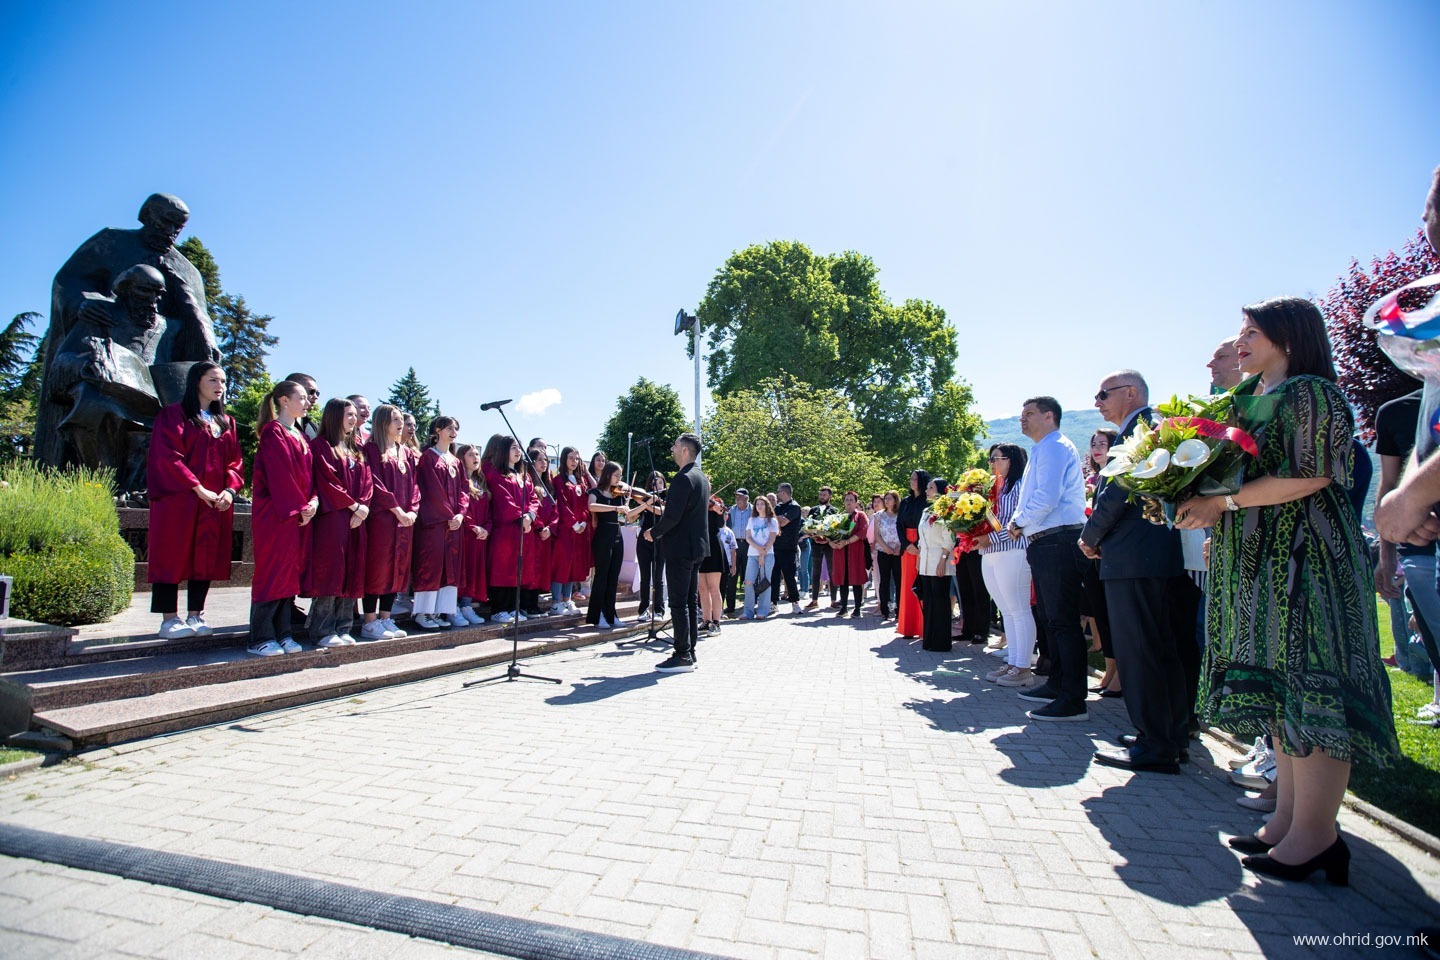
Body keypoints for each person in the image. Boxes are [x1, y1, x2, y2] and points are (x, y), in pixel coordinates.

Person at [1178, 296, 1399, 884]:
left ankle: (1317, 835)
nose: (1240, 342)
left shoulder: (1311, 393)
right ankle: (1288, 821)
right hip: (1253, 556)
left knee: (1310, 683)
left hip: (1305, 555)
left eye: (1252, 332)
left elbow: (1311, 474)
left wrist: (1222, 503)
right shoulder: (1243, 399)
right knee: (1281, 691)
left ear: (1290, 338)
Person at [38, 193, 220, 471]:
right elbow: (68, 281)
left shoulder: (186, 271)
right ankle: (101, 477)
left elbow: (199, 319)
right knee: (97, 403)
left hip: (160, 367)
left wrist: (206, 344)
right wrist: (83, 302)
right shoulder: (111, 242)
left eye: (178, 226)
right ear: (146, 216)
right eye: (166, 222)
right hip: (108, 355)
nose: (171, 231)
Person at [1081, 371, 1191, 773]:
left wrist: (1090, 536)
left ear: (1131, 393)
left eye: (1102, 394)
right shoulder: (1150, 426)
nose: (1097, 401)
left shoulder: (1141, 430)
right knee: (1160, 650)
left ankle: (1154, 744)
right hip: (1150, 557)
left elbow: (1117, 492)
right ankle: (1170, 736)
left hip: (1132, 557)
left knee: (1140, 652)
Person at [146, 360, 243, 639]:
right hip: (179, 501)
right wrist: (197, 488)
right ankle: (169, 620)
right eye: (213, 380)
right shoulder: (174, 415)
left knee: (205, 557)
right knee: (171, 555)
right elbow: (168, 457)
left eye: (223, 381)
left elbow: (235, 462)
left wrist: (229, 491)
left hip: (214, 503)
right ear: (196, 382)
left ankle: (196, 615)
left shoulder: (225, 422)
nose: (220, 386)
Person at [1007, 396, 1090, 723]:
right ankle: (1057, 683)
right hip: (1045, 541)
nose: (1022, 419)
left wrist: (1018, 522)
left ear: (1049, 416)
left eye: (1029, 413)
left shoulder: (1055, 447)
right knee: (1051, 618)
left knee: (1063, 620)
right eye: (1021, 414)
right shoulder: (1043, 448)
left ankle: (1073, 698)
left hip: (1059, 539)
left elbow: (1047, 497)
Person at [248, 380, 317, 657]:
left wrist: (313, 501)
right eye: (301, 397)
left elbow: (309, 477)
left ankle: (284, 633)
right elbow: (280, 476)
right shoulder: (273, 432)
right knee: (272, 572)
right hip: (277, 515)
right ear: (284, 401)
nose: (307, 402)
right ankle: (260, 637)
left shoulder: (300, 435)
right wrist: (299, 507)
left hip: (298, 515)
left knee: (289, 574)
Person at [305, 398, 373, 648]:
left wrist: (363, 507)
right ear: (334, 416)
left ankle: (344, 627)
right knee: (331, 573)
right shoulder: (321, 446)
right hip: (333, 519)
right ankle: (322, 630)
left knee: (352, 571)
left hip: (357, 519)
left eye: (355, 414)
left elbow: (367, 481)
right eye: (349, 414)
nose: (354, 419)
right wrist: (354, 506)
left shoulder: (356, 448)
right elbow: (327, 482)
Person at [648, 434, 711, 672]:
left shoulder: (683, 478)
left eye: (675, 446)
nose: (672, 449)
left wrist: (653, 532)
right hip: (696, 548)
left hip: (681, 549)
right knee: (689, 602)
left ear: (685, 450)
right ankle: (690, 652)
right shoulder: (701, 477)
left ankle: (682, 654)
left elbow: (672, 516)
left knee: (678, 602)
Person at [979, 444, 1035, 687]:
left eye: (996, 459)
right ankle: (1013, 662)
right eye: (991, 459)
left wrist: (991, 538)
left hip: (1013, 550)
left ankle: (1023, 667)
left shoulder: (1022, 486)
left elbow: (1018, 523)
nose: (992, 463)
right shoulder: (998, 488)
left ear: (1010, 460)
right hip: (991, 552)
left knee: (1019, 609)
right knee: (1007, 610)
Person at [360, 404, 416, 641]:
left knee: (397, 568)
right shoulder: (372, 449)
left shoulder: (405, 452)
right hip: (382, 519)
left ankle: (386, 617)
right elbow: (375, 482)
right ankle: (369, 621)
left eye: (401, 419)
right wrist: (397, 510)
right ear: (383, 422)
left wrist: (412, 511)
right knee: (378, 568)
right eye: (395, 419)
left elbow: (415, 486)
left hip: (404, 522)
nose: (400, 423)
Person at [412, 416, 468, 631]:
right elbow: (432, 490)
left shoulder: (455, 461)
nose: (454, 432)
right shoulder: (427, 458)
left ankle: (440, 611)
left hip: (453, 524)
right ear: (438, 430)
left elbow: (464, 490)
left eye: (456, 428)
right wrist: (447, 515)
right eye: (449, 428)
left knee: (449, 567)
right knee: (431, 566)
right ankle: (423, 612)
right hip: (434, 523)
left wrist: (460, 514)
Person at [1082, 429, 1120, 692]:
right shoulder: (1095, 478)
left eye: (1103, 444)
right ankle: (1109, 670)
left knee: (1114, 616)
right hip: (1094, 552)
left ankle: (1118, 675)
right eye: (1094, 444)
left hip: (1111, 552)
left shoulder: (1118, 474)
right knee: (1101, 612)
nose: (1097, 448)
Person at [587, 462, 642, 629]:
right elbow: (591, 506)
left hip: (617, 535)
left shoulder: (618, 495)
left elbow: (629, 517)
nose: (619, 479)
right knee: (601, 576)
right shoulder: (595, 492)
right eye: (617, 475)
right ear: (608, 474)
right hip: (602, 535)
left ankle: (611, 614)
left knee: (613, 578)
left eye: (620, 476)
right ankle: (598, 615)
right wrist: (615, 508)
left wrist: (643, 505)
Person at [550, 447, 591, 614]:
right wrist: (574, 523)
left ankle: (567, 600)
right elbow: (561, 504)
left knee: (572, 566)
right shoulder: (558, 480)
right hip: (565, 530)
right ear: (564, 460)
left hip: (579, 531)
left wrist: (584, 522)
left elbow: (586, 504)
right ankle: (556, 602)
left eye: (577, 458)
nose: (574, 461)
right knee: (561, 565)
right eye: (571, 458)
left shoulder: (582, 482)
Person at [916, 478, 956, 651]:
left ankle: (941, 641)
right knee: (929, 601)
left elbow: (949, 538)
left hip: (940, 560)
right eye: (927, 488)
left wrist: (943, 560)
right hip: (926, 560)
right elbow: (921, 537)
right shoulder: (926, 511)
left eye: (931, 488)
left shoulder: (947, 510)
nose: (927, 491)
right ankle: (929, 638)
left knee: (940, 602)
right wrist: (919, 557)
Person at [454, 444, 490, 625]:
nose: (476, 457)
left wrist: (486, 528)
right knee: (461, 570)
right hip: (464, 534)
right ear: (462, 458)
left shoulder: (481, 483)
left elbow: (489, 512)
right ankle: (454, 607)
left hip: (479, 536)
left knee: (474, 571)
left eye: (477, 454)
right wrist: (473, 526)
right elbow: (461, 508)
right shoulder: (458, 481)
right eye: (471, 454)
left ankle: (466, 606)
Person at [521, 447, 558, 617]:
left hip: (545, 536)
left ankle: (534, 604)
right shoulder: (527, 483)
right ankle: (525, 605)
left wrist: (550, 528)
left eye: (546, 460)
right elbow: (528, 507)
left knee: (540, 571)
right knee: (530, 570)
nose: (544, 463)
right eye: (540, 460)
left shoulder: (548, 486)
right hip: (533, 534)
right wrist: (540, 526)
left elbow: (556, 511)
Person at [896, 470, 931, 639]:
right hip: (907, 548)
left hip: (923, 545)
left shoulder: (927, 501)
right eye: (911, 478)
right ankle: (908, 627)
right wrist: (906, 545)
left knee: (922, 584)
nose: (912, 481)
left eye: (915, 479)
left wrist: (917, 544)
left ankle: (923, 627)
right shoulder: (905, 501)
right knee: (907, 585)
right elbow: (899, 525)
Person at [633, 470, 667, 622]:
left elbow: (660, 512)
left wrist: (644, 504)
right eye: (654, 483)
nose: (658, 485)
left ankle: (659, 610)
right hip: (643, 540)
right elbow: (632, 516)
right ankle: (643, 609)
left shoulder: (666, 500)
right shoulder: (646, 498)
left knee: (658, 578)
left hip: (660, 540)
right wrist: (644, 502)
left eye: (660, 482)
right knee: (645, 577)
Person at [830, 491, 870, 618]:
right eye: (846, 499)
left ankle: (857, 608)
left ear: (856, 502)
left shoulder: (860, 515)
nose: (848, 502)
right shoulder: (839, 516)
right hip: (840, 552)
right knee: (843, 581)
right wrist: (832, 542)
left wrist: (847, 541)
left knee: (857, 580)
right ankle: (844, 608)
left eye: (851, 500)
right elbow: (830, 532)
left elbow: (863, 531)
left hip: (855, 551)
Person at [743, 496, 780, 619]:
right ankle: (748, 611)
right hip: (753, 554)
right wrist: (759, 550)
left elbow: (772, 539)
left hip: (767, 554)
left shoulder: (772, 521)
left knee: (765, 581)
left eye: (762, 504)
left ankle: (763, 610)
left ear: (767, 505)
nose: (759, 506)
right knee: (748, 581)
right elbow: (748, 537)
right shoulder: (752, 520)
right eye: (757, 504)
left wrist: (763, 554)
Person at [698, 496, 730, 634]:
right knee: (702, 589)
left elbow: (720, 524)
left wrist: (719, 512)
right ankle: (706, 621)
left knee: (713, 587)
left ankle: (716, 622)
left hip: (713, 547)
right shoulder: (697, 501)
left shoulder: (715, 503)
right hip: (699, 546)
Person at [770, 483, 803, 614]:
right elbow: (771, 520)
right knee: (774, 576)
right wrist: (776, 518)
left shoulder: (794, 507)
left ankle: (795, 602)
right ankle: (773, 603)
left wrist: (775, 518)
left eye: (778, 492)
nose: (777, 494)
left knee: (789, 576)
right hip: (775, 546)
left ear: (784, 492)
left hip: (789, 548)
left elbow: (783, 522)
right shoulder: (778, 507)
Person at [804, 486, 838, 610]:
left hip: (829, 545)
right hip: (816, 544)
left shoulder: (834, 510)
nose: (822, 497)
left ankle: (834, 600)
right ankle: (814, 600)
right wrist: (813, 535)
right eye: (821, 494)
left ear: (830, 496)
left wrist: (828, 537)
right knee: (816, 572)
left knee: (832, 571)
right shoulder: (813, 510)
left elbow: (836, 529)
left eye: (824, 495)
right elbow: (808, 526)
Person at [873, 492, 902, 620]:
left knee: (898, 581)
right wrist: (886, 547)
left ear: (895, 500)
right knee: (884, 581)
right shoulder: (879, 515)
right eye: (885, 499)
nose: (886, 501)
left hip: (898, 552)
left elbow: (904, 532)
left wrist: (899, 547)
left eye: (889, 498)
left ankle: (899, 610)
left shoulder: (901, 514)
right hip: (884, 551)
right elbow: (877, 535)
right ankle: (884, 610)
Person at [725, 489, 752, 617]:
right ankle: (730, 606)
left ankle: (750, 604)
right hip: (734, 544)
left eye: (740, 497)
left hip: (749, 544)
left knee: (749, 575)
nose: (737, 499)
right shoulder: (731, 510)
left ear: (746, 498)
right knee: (732, 575)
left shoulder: (753, 510)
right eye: (736, 496)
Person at [284, 373, 321, 440]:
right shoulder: (275, 427)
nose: (316, 397)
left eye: (317, 393)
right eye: (311, 392)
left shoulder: (313, 426)